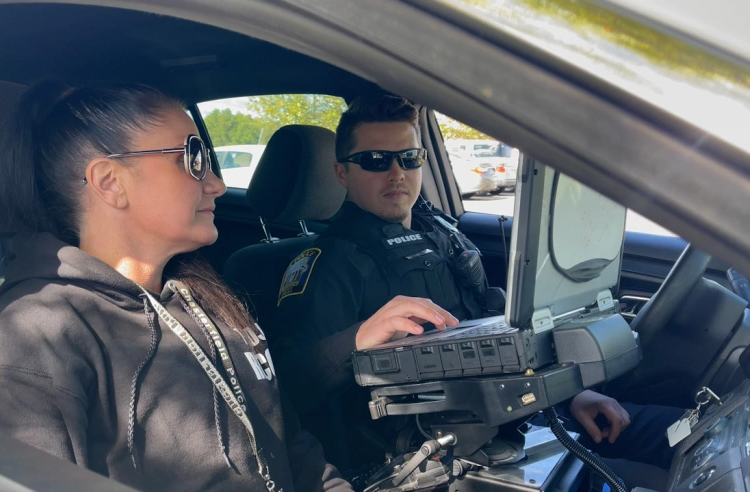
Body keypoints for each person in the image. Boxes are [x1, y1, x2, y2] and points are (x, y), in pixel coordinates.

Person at [0, 81, 364, 491]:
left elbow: (295, 454)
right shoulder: (29, 343)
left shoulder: (208, 300)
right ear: (110, 182)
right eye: (193, 158)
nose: (215, 183)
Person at [272, 94, 681, 474]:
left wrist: (567, 397)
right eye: (376, 160)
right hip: (426, 455)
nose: (397, 173)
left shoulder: (441, 234)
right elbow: (285, 392)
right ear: (342, 172)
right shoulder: (328, 265)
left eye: (409, 158)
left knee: (687, 435)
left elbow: (498, 341)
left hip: (514, 415)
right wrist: (358, 338)